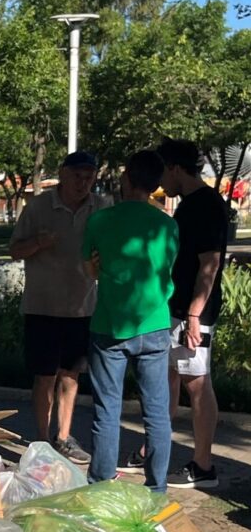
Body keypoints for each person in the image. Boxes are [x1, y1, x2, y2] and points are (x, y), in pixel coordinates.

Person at [82, 150, 179, 491]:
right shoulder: (167, 225)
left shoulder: (100, 221)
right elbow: (166, 271)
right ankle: (157, 487)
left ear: (125, 178)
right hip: (155, 324)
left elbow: (89, 271)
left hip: (110, 325)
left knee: (107, 411)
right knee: (156, 413)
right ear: (155, 185)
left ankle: (101, 483)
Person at [8, 150, 111, 463]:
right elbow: (14, 250)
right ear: (63, 174)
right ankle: (41, 441)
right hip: (43, 307)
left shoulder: (102, 208)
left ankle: (64, 436)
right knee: (44, 377)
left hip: (82, 308)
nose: (83, 183)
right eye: (77, 176)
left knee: (71, 375)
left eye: (89, 177)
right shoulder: (38, 207)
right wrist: (38, 243)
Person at [158, 138, 228, 489]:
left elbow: (210, 264)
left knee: (197, 383)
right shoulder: (190, 205)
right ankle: (155, 449)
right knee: (173, 377)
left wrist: (195, 316)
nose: (160, 181)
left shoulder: (207, 205)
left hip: (192, 314)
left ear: (175, 168)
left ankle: (203, 466)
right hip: (180, 309)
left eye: (163, 171)